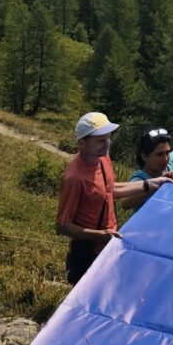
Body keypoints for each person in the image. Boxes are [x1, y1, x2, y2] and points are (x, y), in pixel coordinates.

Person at [57, 111, 124, 285]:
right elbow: (62, 226)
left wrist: (153, 183)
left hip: (107, 246)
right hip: (88, 253)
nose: (106, 144)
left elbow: (108, 191)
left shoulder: (103, 159)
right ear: (82, 143)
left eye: (108, 138)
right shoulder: (75, 178)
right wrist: (100, 235)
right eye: (100, 140)